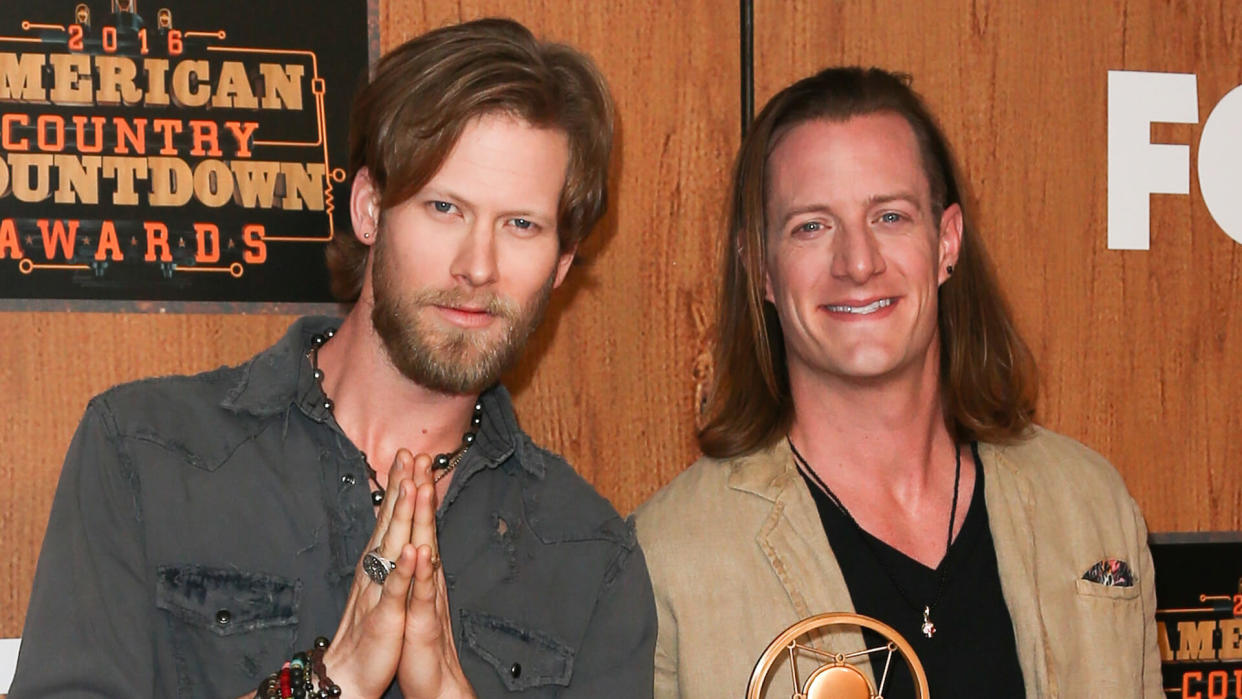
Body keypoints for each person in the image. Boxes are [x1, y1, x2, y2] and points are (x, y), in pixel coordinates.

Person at [10, 18, 655, 699]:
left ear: (560, 265)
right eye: (444, 207)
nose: (478, 265)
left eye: (520, 225)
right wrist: (325, 683)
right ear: (370, 208)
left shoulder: (590, 558)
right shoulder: (145, 452)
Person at [635, 67, 1161, 698]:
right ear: (763, 273)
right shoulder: (666, 559)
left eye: (889, 216)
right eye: (811, 226)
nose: (858, 262)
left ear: (946, 242)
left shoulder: (1091, 506)